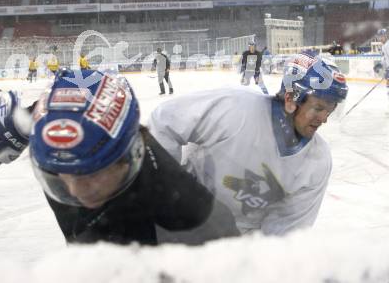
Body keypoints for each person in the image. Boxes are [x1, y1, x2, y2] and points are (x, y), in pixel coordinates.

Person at [0, 69, 238, 245]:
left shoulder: (190, 212)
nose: (75, 190)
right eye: (56, 175)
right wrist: (11, 124)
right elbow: (71, 97)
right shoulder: (51, 128)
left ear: (130, 156)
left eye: (91, 174)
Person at [148, 52, 348, 236]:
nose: (324, 119)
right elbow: (165, 122)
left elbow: (285, 234)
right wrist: (169, 193)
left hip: (236, 247)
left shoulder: (317, 162)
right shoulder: (235, 107)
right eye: (318, 108)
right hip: (183, 219)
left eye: (329, 110)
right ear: (290, 99)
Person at [376, 28, 389, 113]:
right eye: (379, 37)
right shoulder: (384, 46)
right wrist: (380, 64)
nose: (380, 38)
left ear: (386, 36)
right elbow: (385, 58)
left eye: (382, 36)